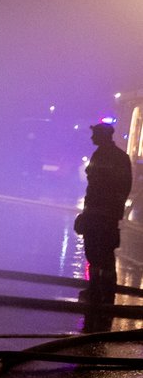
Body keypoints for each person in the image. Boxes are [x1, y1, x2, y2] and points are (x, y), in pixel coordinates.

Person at [74, 121, 133, 307]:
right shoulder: (101, 155)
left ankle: (106, 294)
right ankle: (96, 289)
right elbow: (93, 188)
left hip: (104, 216)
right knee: (93, 253)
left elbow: (121, 188)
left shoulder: (117, 158)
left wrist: (111, 212)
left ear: (104, 136)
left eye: (95, 134)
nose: (92, 137)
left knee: (104, 255)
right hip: (96, 214)